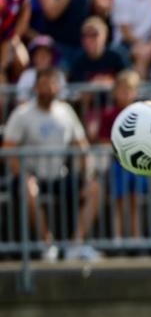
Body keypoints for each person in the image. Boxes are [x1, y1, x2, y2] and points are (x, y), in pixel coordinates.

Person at [3, 67, 101, 262]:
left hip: (60, 177)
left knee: (95, 189)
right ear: (35, 87)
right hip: (30, 177)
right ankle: (47, 244)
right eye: (43, 84)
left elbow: (82, 146)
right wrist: (22, 174)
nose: (48, 89)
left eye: (52, 84)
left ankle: (75, 244)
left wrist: (87, 174)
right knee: (29, 189)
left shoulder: (66, 112)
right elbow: (8, 150)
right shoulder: (22, 113)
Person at [94, 69, 145, 242]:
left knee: (135, 202)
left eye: (129, 89)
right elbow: (102, 140)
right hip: (117, 165)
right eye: (122, 89)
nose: (126, 93)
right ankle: (118, 239)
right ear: (115, 92)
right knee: (118, 201)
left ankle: (136, 239)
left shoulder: (142, 115)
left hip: (137, 165)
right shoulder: (108, 115)